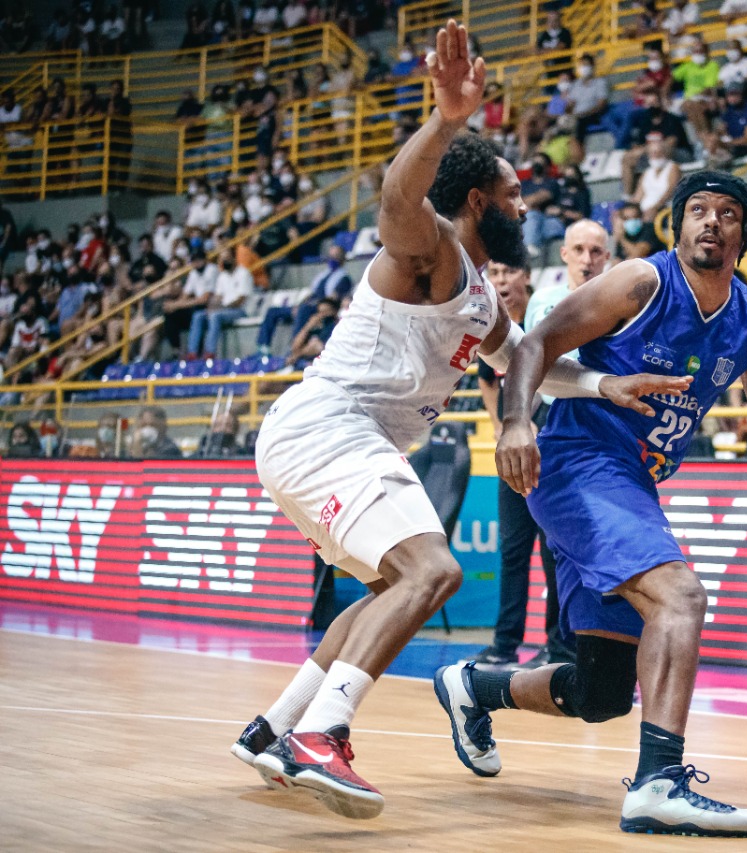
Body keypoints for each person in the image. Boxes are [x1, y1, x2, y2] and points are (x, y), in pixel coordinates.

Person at [234, 23, 684, 820]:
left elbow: (529, 362)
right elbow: (395, 199)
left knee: (384, 585)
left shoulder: (476, 287)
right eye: (514, 194)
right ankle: (324, 736)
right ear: (480, 199)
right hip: (328, 428)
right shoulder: (433, 245)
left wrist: (608, 385)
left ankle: (276, 727)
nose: (524, 204)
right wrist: (444, 122)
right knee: (433, 572)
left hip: (329, 439)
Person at [434, 169, 747, 837]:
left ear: (745, 231)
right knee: (680, 596)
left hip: (632, 484)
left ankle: (475, 686)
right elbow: (534, 344)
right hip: (577, 463)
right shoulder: (641, 284)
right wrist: (514, 423)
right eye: (698, 210)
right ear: (677, 225)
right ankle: (658, 782)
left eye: (727, 213)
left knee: (599, 694)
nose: (711, 221)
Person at [474, 257, 575, 670]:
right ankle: (504, 643)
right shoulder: (492, 331)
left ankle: (557, 644)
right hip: (513, 447)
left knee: (554, 550)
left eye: (507, 273)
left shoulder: (542, 321)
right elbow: (485, 378)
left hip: (549, 440)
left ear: (526, 278)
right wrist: (504, 428)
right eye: (493, 274)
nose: (500, 281)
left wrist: (527, 423)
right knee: (513, 550)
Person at [526, 219, 611, 329]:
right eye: (578, 249)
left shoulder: (618, 302)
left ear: (607, 257)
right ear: (564, 254)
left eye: (595, 251)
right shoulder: (540, 300)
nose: (587, 260)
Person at [187, 249, 252, 359]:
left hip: (241, 310)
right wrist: (211, 307)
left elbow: (240, 300)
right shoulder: (222, 276)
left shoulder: (243, 273)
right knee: (198, 315)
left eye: (227, 258)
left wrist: (220, 308)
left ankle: (210, 353)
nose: (224, 261)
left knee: (215, 316)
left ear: (234, 258)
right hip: (224, 310)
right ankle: (192, 353)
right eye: (222, 259)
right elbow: (217, 298)